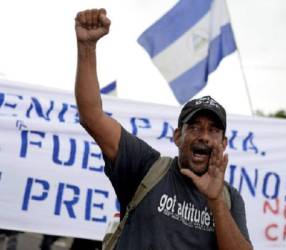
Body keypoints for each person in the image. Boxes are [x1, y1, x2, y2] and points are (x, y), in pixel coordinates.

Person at [74, 8, 253, 250]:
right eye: (195, 127)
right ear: (177, 136)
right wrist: (87, 47)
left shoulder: (229, 199)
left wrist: (215, 201)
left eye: (213, 130)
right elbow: (92, 117)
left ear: (223, 144)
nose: (204, 136)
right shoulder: (145, 166)